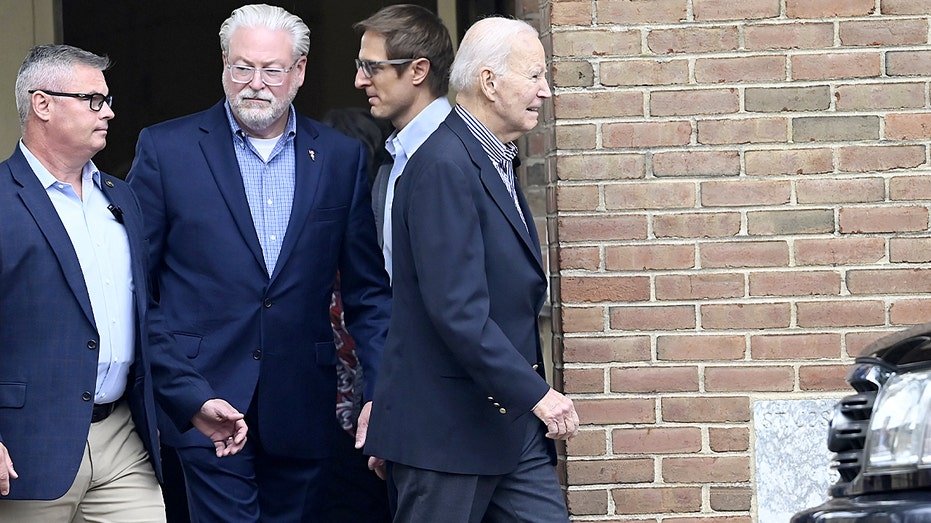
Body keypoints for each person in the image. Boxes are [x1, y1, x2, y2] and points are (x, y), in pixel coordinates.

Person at [127, 4, 391, 522]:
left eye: (271, 70)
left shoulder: (339, 158)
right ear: (224, 64)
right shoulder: (167, 149)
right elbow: (136, 288)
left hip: (302, 405)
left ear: (300, 71)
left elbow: (368, 293)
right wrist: (182, 391)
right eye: (242, 67)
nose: (254, 83)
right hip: (205, 402)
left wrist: (379, 393)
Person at [0, 44, 245, 522]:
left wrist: (193, 399)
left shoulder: (121, 197)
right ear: (42, 104)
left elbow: (143, 319)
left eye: (107, 99)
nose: (108, 112)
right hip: (27, 450)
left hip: (122, 441)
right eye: (92, 100)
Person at [364, 17, 580, 522]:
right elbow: (456, 310)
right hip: (445, 435)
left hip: (508, 427)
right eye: (534, 76)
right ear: (489, 82)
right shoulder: (444, 164)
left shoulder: (493, 158)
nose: (545, 91)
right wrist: (538, 395)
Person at [353, 4, 455, 273]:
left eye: (372, 67)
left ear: (418, 71)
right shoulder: (395, 154)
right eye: (360, 66)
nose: (359, 81)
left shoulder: (455, 155)